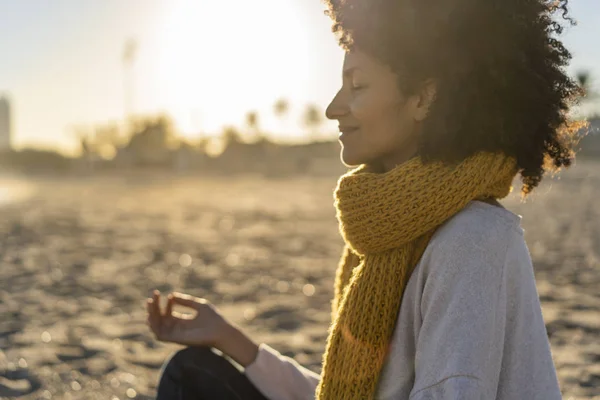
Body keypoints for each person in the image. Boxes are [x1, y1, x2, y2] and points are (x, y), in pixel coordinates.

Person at [146, 0, 583, 398]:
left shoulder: (473, 240)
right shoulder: (389, 230)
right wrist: (229, 338)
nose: (333, 108)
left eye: (356, 87)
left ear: (423, 98)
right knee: (193, 373)